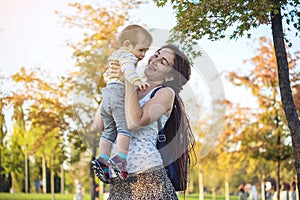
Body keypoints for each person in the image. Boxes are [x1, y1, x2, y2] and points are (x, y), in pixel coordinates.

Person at [104, 44, 196, 199]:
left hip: (149, 181)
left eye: (163, 62)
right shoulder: (133, 88)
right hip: (121, 180)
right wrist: (114, 82)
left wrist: (127, 79)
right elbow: (103, 121)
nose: (154, 60)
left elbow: (135, 122)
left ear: (170, 76)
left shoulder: (165, 94)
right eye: (156, 54)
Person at [91, 24, 153, 182]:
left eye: (146, 51)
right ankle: (120, 160)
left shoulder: (115, 55)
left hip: (107, 95)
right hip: (118, 94)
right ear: (127, 45)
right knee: (124, 129)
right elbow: (128, 70)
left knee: (109, 131)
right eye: (141, 50)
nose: (143, 55)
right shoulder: (127, 56)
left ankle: (103, 159)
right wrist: (136, 81)